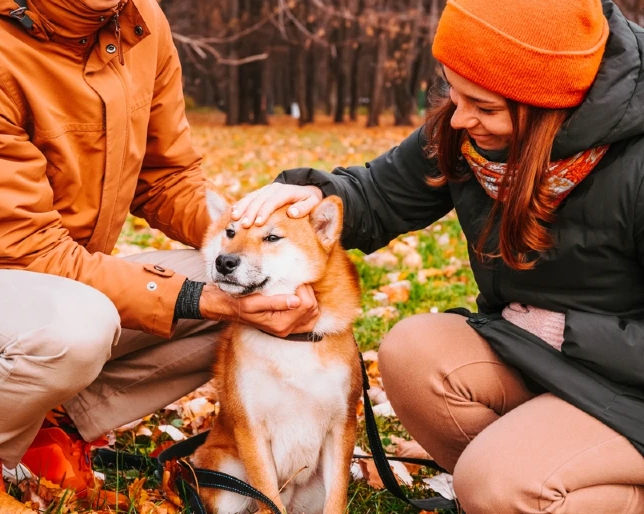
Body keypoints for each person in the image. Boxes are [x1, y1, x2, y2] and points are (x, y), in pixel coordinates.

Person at [0, 0, 320, 497]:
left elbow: (166, 177)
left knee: (262, 288)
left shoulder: (140, 21)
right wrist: (196, 298)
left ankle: (49, 427)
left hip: (63, 291)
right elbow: (23, 247)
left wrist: (252, 240)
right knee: (80, 324)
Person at [232, 0, 644, 512]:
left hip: (628, 390)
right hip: (539, 356)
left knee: (497, 485)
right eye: (452, 88)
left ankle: (541, 484)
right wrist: (314, 195)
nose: (459, 117)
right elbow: (379, 194)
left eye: (486, 107)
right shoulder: (467, 130)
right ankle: (536, 465)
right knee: (413, 353)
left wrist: (565, 332)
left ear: (550, 106)